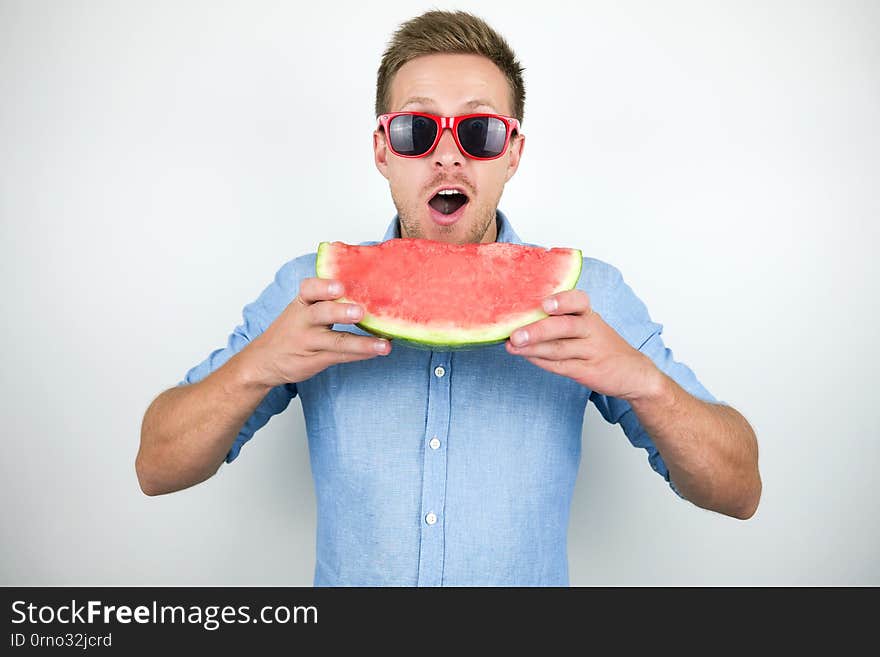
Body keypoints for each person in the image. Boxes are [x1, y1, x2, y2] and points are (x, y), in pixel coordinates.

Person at [137, 10, 761, 586]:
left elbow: (739, 490)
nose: (446, 156)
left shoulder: (584, 297)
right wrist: (259, 366)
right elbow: (157, 468)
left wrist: (643, 381)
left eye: (480, 131)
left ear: (512, 153)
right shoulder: (315, 294)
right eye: (415, 128)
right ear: (382, 149)